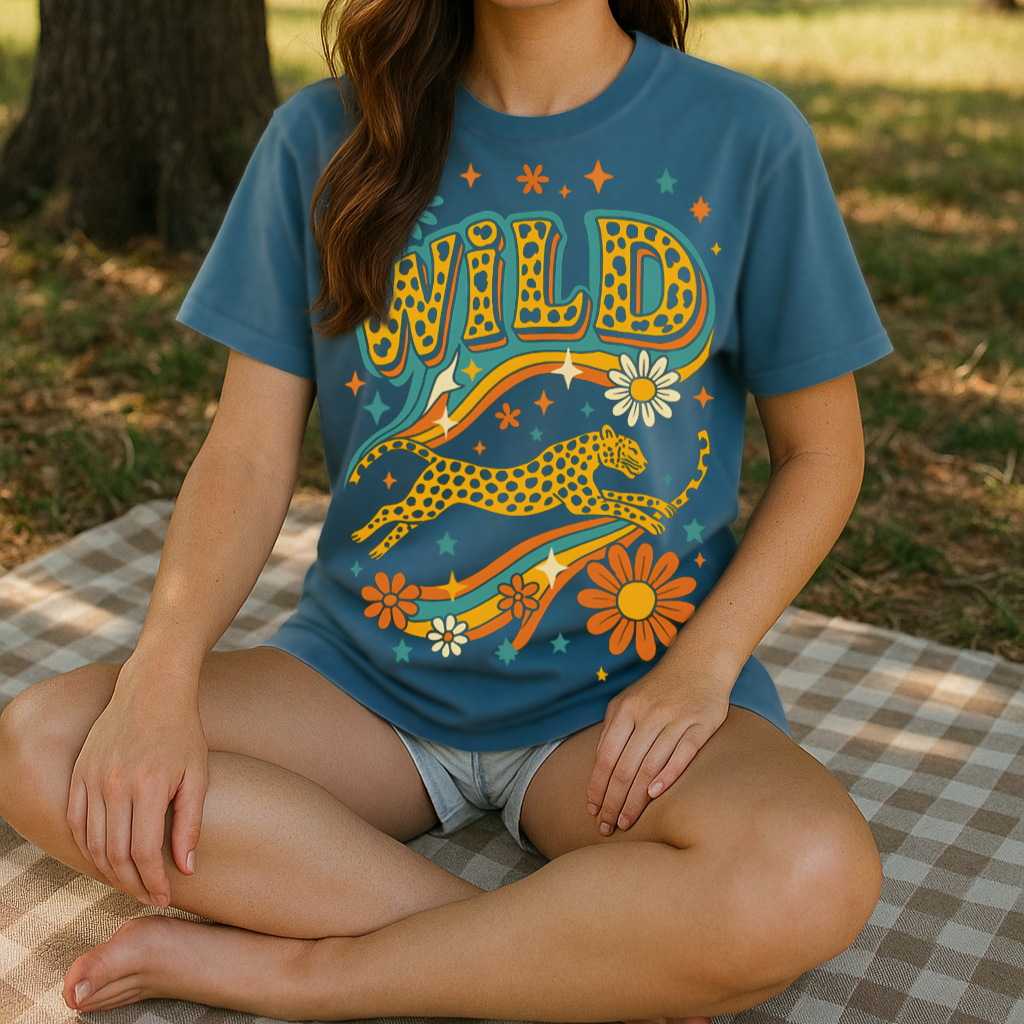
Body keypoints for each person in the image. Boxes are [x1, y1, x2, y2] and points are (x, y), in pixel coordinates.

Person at [0, 0, 892, 1019]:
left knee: (808, 871)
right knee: (48, 740)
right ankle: (551, 956)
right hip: (362, 690)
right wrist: (159, 676)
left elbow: (822, 453)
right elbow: (246, 457)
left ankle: (310, 974)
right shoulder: (320, 138)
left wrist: (702, 665)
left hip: (618, 708)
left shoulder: (745, 137)